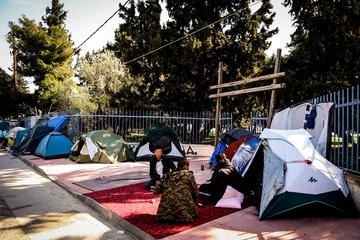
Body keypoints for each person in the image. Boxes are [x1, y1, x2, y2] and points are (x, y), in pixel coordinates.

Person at [152, 157, 199, 224]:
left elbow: (156, 191)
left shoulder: (167, 175)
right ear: (185, 166)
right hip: (184, 216)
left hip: (164, 216)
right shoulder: (189, 175)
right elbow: (195, 193)